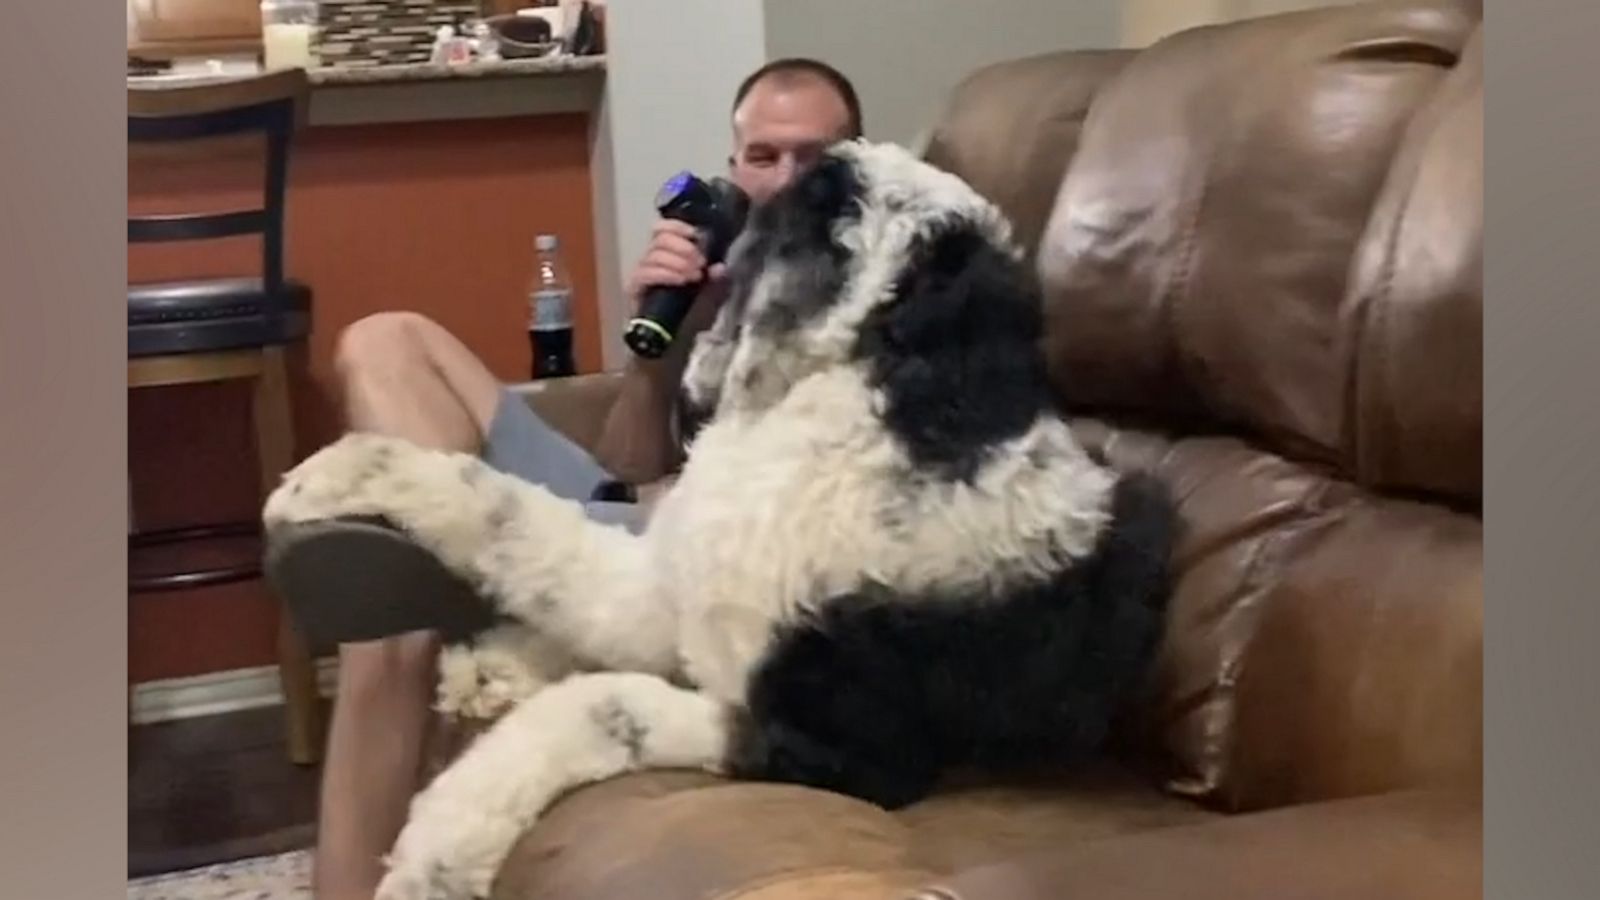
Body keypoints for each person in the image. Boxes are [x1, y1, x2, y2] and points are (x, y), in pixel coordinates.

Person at [309, 58, 864, 900]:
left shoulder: (881, 282)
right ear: (733, 165)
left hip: (688, 563)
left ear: (859, 166)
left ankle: (420, 566)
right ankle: (425, 552)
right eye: (763, 156)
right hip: (623, 513)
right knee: (387, 338)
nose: (785, 181)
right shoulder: (716, 268)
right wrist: (662, 347)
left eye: (813, 158)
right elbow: (625, 467)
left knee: (388, 632)